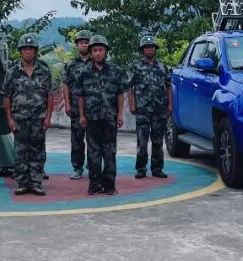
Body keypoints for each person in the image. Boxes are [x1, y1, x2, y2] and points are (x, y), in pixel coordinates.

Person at [2, 33, 53, 195]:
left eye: (31, 49)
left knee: (38, 151)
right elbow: (6, 96)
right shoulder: (12, 72)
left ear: (35, 51)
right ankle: (22, 183)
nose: (28, 51)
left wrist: (48, 117)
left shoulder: (44, 70)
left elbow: (50, 95)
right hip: (19, 119)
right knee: (20, 152)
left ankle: (36, 183)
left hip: (39, 119)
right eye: (25, 49)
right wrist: (9, 119)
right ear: (21, 51)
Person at [74, 34, 125, 195]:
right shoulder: (84, 72)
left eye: (100, 50)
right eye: (94, 50)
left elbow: (120, 93)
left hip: (110, 118)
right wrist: (82, 115)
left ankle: (109, 186)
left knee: (109, 152)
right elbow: (80, 95)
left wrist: (120, 114)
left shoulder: (115, 71)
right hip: (92, 118)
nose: (97, 53)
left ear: (106, 51)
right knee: (93, 153)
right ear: (91, 52)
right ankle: (95, 185)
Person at [127, 35, 172, 179]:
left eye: (152, 47)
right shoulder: (135, 66)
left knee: (158, 141)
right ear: (142, 50)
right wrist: (132, 104)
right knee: (142, 142)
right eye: (147, 47)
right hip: (143, 110)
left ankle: (157, 169)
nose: (149, 49)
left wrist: (170, 104)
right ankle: (141, 169)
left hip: (159, 110)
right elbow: (129, 86)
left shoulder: (162, 67)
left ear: (155, 49)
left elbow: (168, 86)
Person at [61, 29, 93, 179]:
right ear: (77, 45)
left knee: (94, 139)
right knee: (77, 140)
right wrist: (67, 104)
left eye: (86, 42)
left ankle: (93, 166)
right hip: (75, 107)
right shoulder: (71, 64)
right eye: (81, 42)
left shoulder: (97, 62)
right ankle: (77, 167)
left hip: (94, 107)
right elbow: (65, 84)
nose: (84, 45)